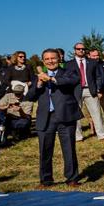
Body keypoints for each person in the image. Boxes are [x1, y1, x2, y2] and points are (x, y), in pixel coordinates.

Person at [25, 49, 81, 186]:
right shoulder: (37, 76)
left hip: (65, 115)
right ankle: (46, 180)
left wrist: (51, 79)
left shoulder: (68, 72)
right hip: (46, 117)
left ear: (59, 59)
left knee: (68, 148)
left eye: (53, 58)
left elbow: (71, 81)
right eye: (47, 59)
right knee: (45, 149)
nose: (50, 61)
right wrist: (39, 84)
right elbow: (30, 97)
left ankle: (72, 178)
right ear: (43, 61)